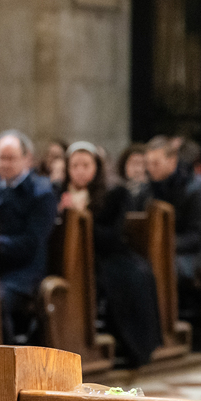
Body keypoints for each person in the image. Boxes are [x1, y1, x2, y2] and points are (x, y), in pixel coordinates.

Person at [60, 142, 162, 366]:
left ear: (96, 167)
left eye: (85, 165)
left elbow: (112, 237)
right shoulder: (57, 193)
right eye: (74, 165)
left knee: (131, 277)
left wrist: (82, 215)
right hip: (68, 260)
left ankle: (129, 346)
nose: (80, 171)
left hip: (108, 255)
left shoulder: (115, 194)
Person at [0, 130, 58, 343]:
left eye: (10, 158)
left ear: (27, 158)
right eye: (0, 158)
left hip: (25, 273)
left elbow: (31, 243)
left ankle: (6, 357)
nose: (5, 164)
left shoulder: (41, 193)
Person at [143, 135, 201, 308]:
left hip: (188, 254)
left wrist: (165, 244)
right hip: (154, 250)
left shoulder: (193, 190)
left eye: (155, 163)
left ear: (172, 161)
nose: (150, 168)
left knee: (161, 266)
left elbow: (198, 235)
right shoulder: (146, 191)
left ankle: (167, 316)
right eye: (148, 163)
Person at [118, 144, 149, 210]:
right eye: (134, 163)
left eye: (143, 164)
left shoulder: (154, 191)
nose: (138, 169)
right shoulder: (116, 191)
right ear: (124, 164)